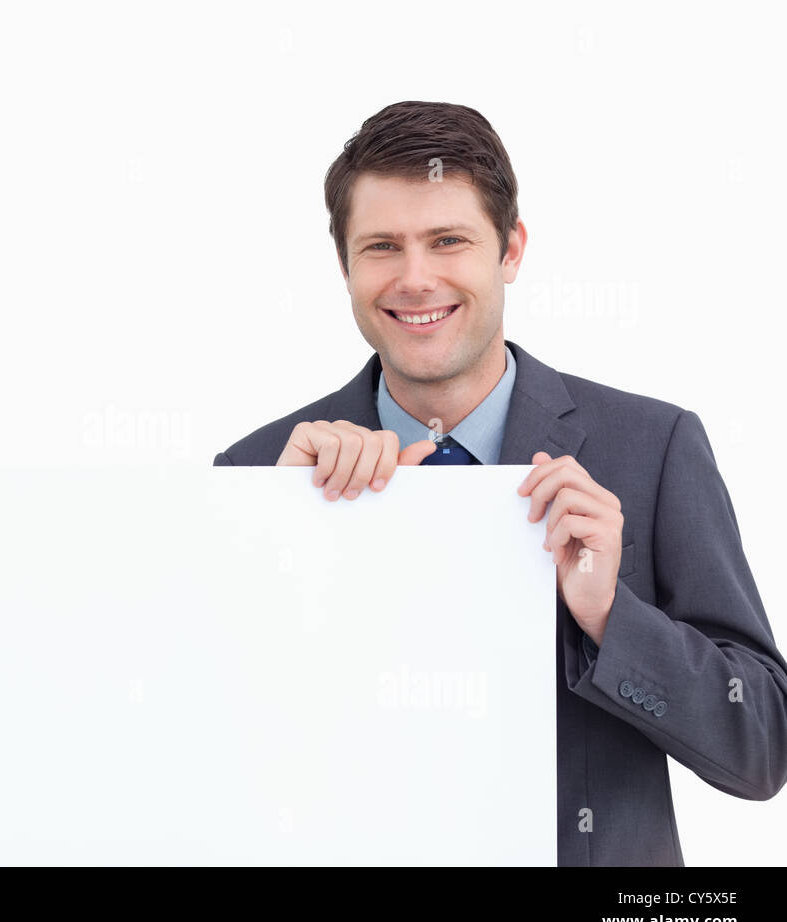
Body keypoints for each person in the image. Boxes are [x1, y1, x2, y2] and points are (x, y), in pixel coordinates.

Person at [212, 101, 787, 865]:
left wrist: (610, 618)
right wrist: (277, 546)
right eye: (382, 246)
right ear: (345, 264)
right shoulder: (258, 474)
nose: (415, 280)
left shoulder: (653, 447)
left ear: (510, 249)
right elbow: (207, 761)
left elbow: (761, 748)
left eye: (447, 240)